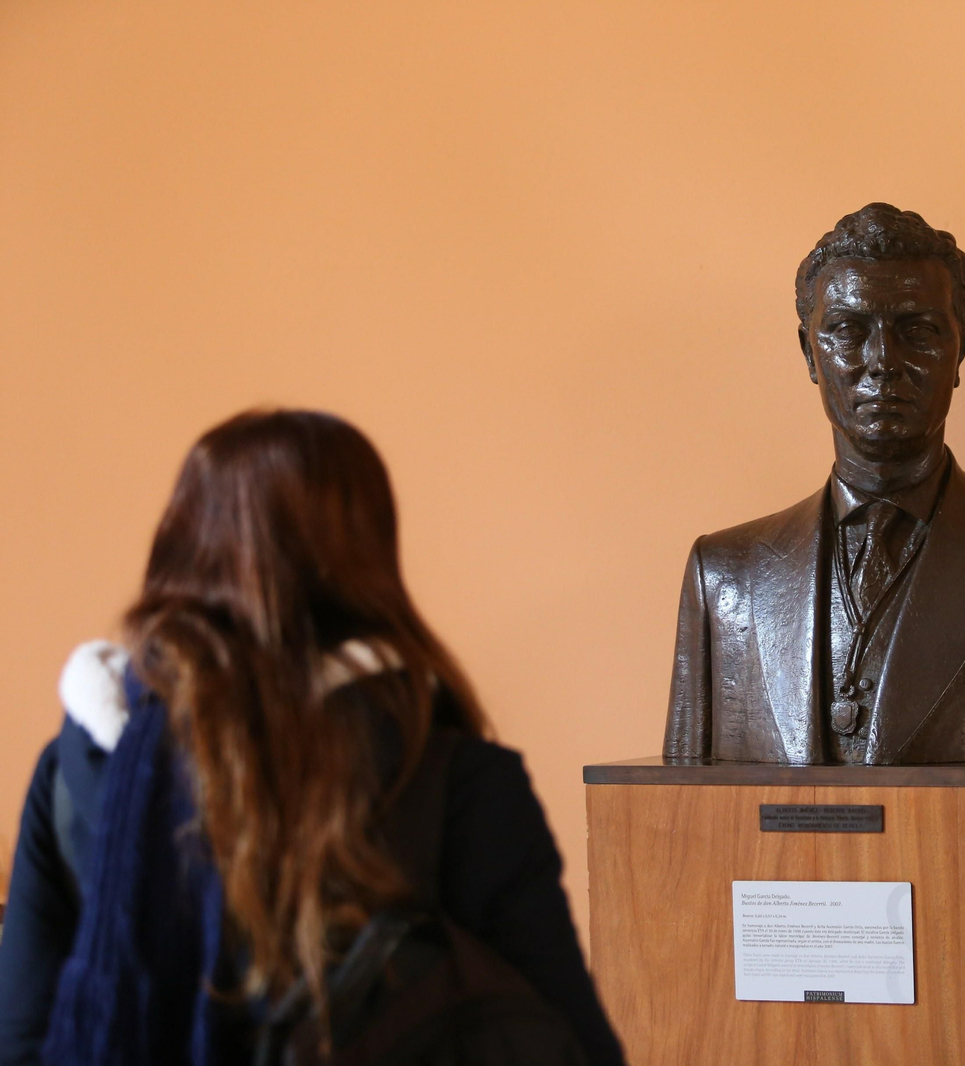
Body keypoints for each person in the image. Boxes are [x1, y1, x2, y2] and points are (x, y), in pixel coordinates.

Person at [0, 410, 625, 1065]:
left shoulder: (81, 774)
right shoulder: (453, 778)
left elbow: (22, 1037)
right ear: (369, 558)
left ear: (178, 545)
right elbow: (570, 1040)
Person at [664, 203, 965, 765]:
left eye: (917, 332)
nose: (882, 362)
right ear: (809, 352)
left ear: (959, 352)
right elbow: (682, 824)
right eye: (847, 331)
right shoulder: (724, 576)